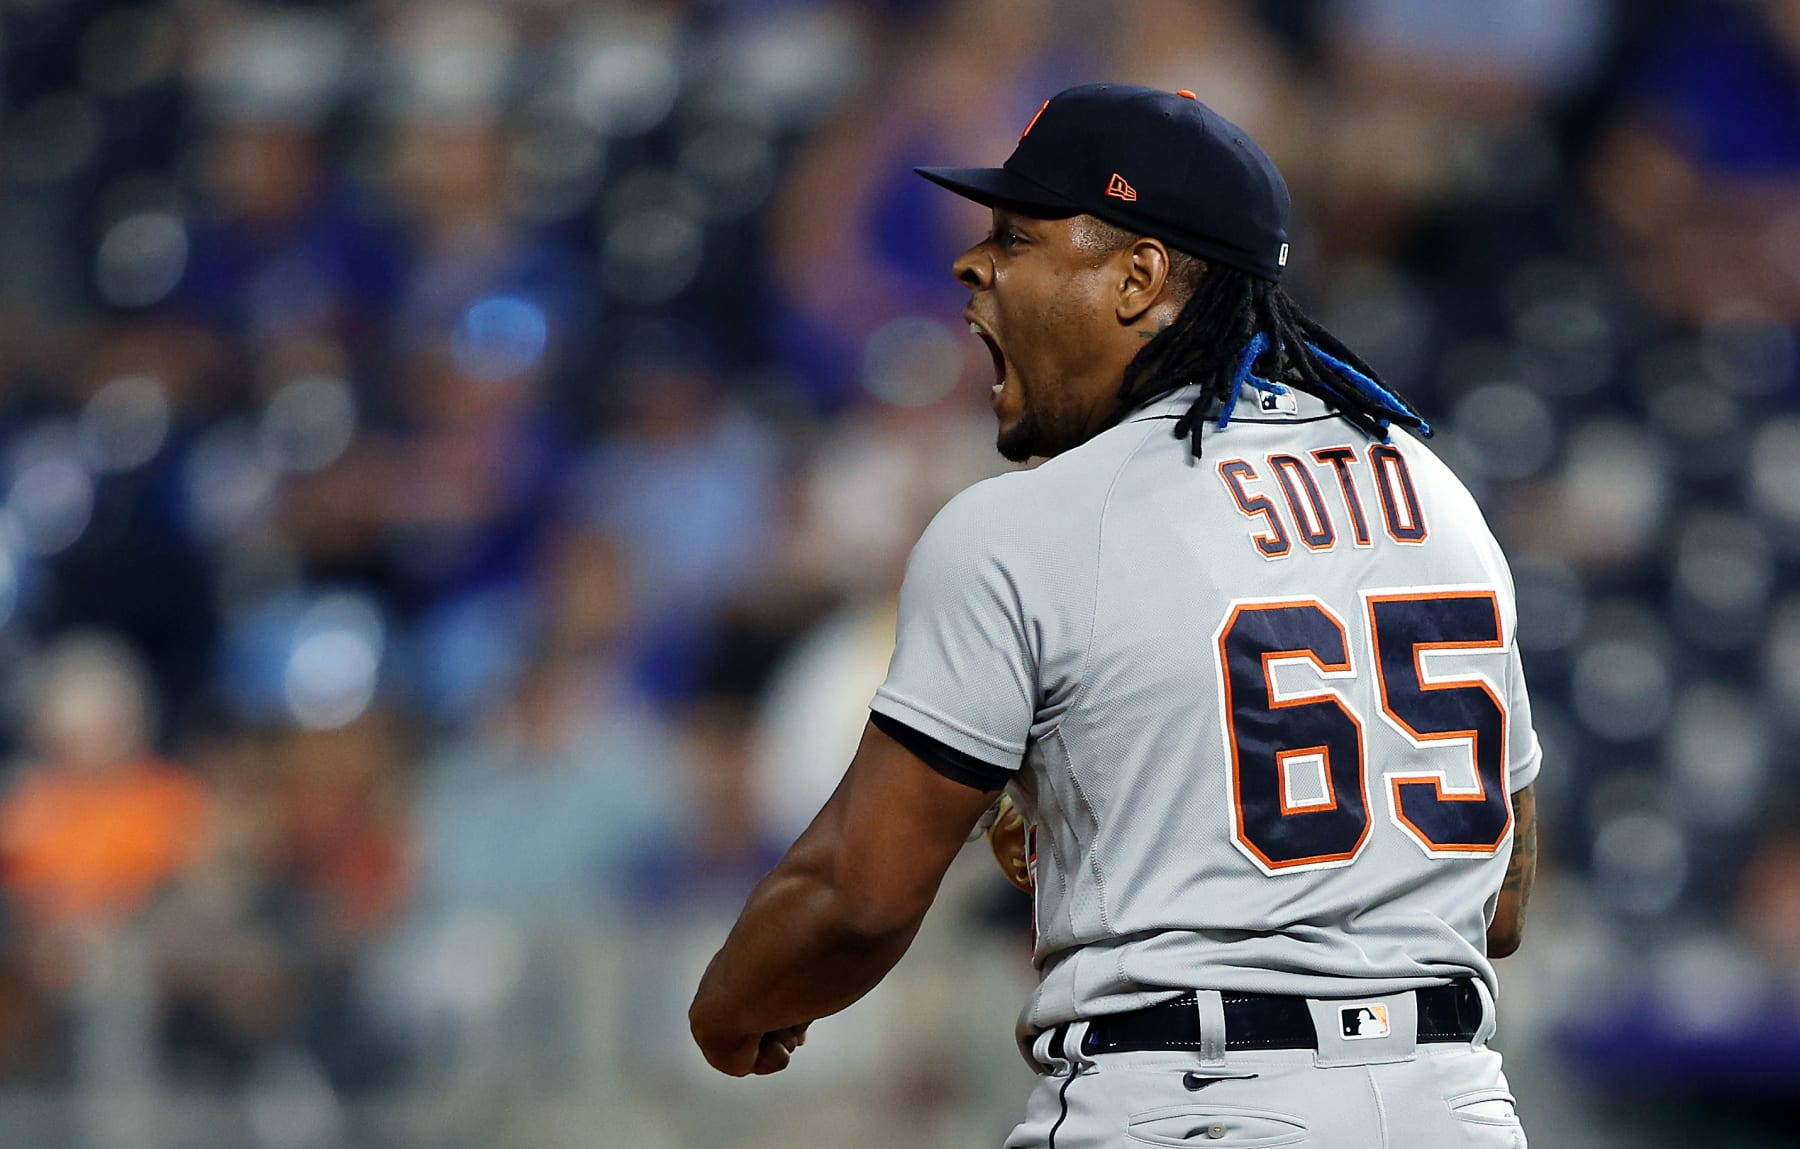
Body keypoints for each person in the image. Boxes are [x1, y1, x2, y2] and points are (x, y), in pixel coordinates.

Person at [690, 83, 1539, 1148]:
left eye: (1014, 236)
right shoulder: (1429, 486)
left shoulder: (1031, 524)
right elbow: (1498, 901)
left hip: (1188, 1103)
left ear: (1138, 276)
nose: (970, 264)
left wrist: (731, 1005)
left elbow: (854, 901)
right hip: (1453, 1106)